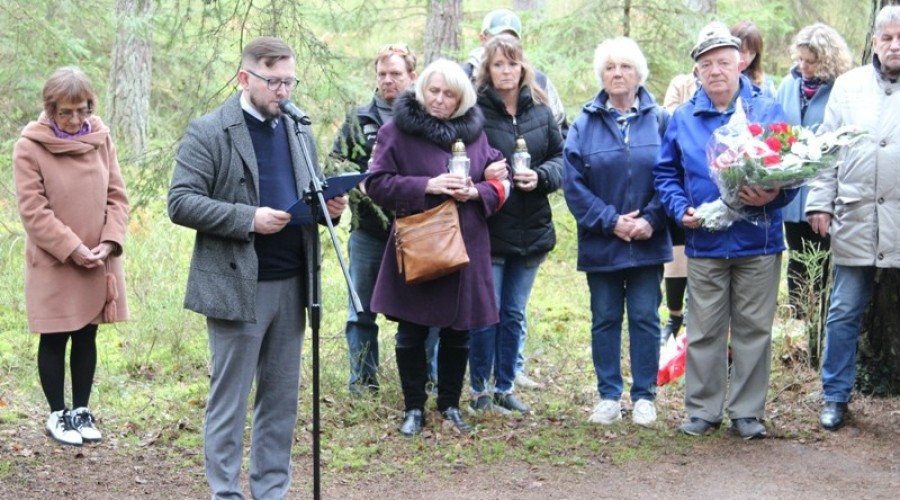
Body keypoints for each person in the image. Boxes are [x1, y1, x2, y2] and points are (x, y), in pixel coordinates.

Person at [168, 37, 347, 498]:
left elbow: (306, 191)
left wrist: (331, 206)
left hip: (294, 281)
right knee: (230, 400)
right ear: (245, 78)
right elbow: (181, 202)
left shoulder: (299, 127)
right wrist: (249, 218)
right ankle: (225, 493)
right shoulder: (210, 130)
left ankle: (271, 490)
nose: (284, 91)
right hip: (237, 283)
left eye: (290, 80)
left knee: (281, 399)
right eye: (274, 81)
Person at [654, 22, 795, 439]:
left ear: (740, 64)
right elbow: (666, 173)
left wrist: (772, 195)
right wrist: (681, 210)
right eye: (706, 64)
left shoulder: (767, 110)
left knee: (754, 329)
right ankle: (702, 410)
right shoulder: (683, 117)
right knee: (704, 329)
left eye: (723, 62)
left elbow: (794, 170)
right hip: (705, 241)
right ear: (696, 72)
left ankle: (747, 413)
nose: (715, 71)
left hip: (759, 240)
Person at [365, 58, 509, 437]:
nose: (440, 100)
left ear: (461, 99)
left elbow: (498, 178)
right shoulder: (395, 131)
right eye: (434, 91)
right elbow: (376, 184)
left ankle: (450, 404)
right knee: (411, 331)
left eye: (449, 94)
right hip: (420, 241)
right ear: (421, 89)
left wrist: (476, 189)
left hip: (466, 243)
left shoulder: (475, 134)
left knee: (458, 331)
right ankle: (413, 407)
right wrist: (427, 185)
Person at [13, 66, 129, 447]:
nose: (76, 118)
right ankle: (57, 414)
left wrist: (109, 242)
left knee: (86, 334)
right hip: (55, 259)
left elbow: (116, 195)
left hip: (97, 257)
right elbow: (34, 211)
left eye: (82, 109)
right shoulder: (30, 146)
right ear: (49, 109)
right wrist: (72, 248)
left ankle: (81, 409)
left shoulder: (101, 138)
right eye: (66, 111)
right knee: (55, 335)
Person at [564, 37, 671, 427]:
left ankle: (644, 396)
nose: (617, 73)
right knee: (605, 317)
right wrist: (611, 221)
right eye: (610, 68)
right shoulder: (584, 124)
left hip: (647, 240)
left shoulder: (660, 120)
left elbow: (671, 176)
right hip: (602, 242)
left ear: (638, 73)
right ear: (602, 76)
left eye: (625, 66)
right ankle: (609, 395)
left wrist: (650, 221)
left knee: (645, 316)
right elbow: (573, 185)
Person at [806, 5, 900, 432]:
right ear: (876, 41)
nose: (895, 45)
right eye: (888, 38)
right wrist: (819, 203)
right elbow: (827, 154)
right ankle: (835, 395)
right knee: (844, 310)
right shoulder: (848, 87)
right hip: (857, 214)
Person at [469, 34, 563, 415]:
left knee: (513, 314)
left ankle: (505, 387)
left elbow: (562, 158)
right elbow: (457, 163)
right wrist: (484, 172)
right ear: (487, 71)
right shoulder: (473, 114)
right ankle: (480, 390)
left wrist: (540, 177)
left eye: (512, 63)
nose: (506, 71)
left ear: (523, 68)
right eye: (498, 64)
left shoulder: (541, 111)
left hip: (532, 229)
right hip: (489, 229)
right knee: (485, 313)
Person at [332, 43, 417, 396]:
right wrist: (360, 183)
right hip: (368, 230)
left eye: (396, 74)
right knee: (361, 311)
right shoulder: (359, 119)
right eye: (382, 74)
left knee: (419, 313)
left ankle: (421, 380)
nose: (388, 80)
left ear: (412, 77)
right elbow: (336, 164)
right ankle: (363, 384)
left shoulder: (425, 116)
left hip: (418, 230)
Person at [776, 23, 852, 318]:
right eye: (800, 60)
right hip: (791, 195)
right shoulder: (787, 85)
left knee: (822, 263)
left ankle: (819, 324)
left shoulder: (842, 89)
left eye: (811, 61)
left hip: (827, 196)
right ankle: (799, 322)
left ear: (828, 60)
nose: (803, 67)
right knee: (797, 260)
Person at [463, 8, 568, 142]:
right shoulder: (465, 78)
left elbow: (560, 131)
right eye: (498, 38)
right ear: (483, 39)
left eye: (511, 39)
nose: (504, 44)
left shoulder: (539, 81)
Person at [659, 70, 699, 343]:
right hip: (680, 186)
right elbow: (671, 116)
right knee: (676, 259)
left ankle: (698, 317)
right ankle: (675, 316)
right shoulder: (681, 83)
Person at [731, 20, 777, 98]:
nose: (747, 58)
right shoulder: (717, 77)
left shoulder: (764, 84)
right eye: (742, 51)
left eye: (752, 53)